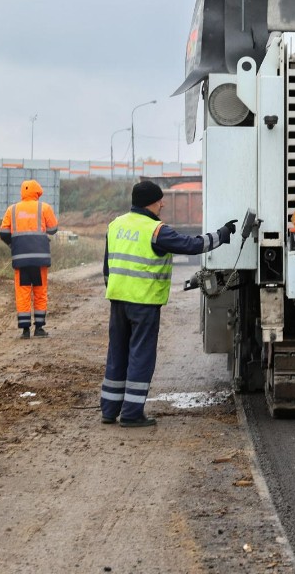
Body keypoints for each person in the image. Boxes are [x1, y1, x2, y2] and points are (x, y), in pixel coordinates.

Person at [100, 180, 237, 427]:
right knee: (141, 355)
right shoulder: (156, 230)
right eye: (159, 200)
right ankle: (131, 414)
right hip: (143, 303)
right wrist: (222, 235)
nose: (163, 203)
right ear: (150, 203)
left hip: (118, 300)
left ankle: (109, 410)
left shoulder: (115, 225)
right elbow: (192, 245)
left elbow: (107, 267)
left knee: (117, 353)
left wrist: (116, 289)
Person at [0, 179, 59, 339]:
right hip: (40, 260)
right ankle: (39, 328)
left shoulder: (12, 210)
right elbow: (53, 229)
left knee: (23, 292)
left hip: (21, 259)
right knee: (40, 292)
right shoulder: (44, 208)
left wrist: (14, 245)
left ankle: (25, 330)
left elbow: (3, 233)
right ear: (37, 192)